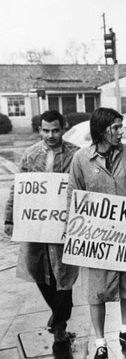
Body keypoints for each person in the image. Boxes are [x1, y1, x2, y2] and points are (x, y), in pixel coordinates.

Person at [67, 107, 126, 359]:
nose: (120, 132)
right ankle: (100, 343)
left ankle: (125, 330)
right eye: (115, 127)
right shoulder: (81, 158)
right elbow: (73, 196)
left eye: (121, 126)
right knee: (96, 290)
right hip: (97, 238)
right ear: (101, 130)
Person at [4, 110, 79, 343]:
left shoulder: (76, 155)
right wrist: (9, 218)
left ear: (63, 128)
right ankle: (58, 317)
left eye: (55, 130)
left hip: (64, 224)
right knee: (37, 269)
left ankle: (59, 324)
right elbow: (18, 188)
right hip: (36, 223)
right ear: (39, 130)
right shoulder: (29, 155)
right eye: (46, 130)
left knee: (64, 275)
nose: (50, 135)